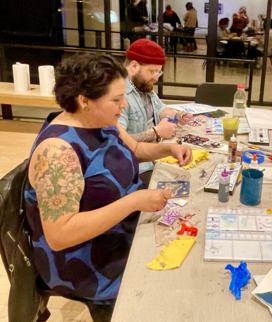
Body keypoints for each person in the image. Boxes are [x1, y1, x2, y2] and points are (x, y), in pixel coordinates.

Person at [24, 53, 193, 322]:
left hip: (121, 232)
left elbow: (135, 148)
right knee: (174, 290)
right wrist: (134, 202)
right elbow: (60, 234)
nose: (124, 105)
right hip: (87, 261)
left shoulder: (102, 121)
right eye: (116, 99)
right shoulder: (57, 152)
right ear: (84, 101)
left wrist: (168, 148)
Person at [119, 39, 193, 184]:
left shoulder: (142, 86)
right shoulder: (119, 95)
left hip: (156, 155)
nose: (155, 78)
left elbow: (159, 108)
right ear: (134, 66)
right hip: (137, 168)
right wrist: (156, 132)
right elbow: (118, 141)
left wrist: (176, 116)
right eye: (153, 72)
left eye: (158, 73)